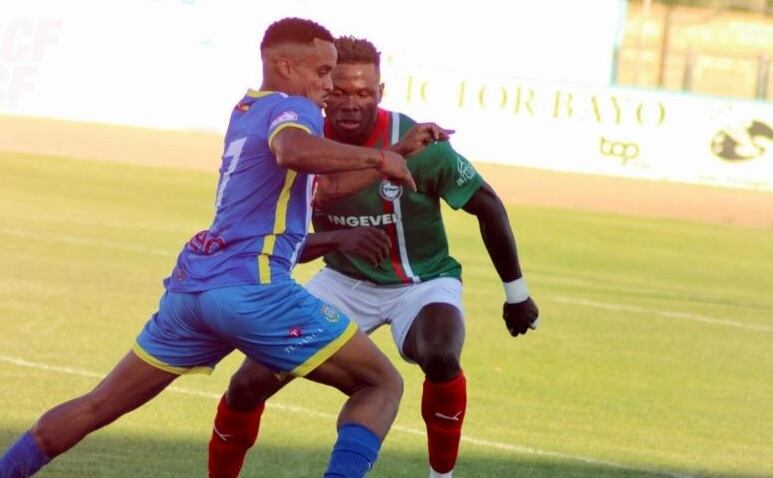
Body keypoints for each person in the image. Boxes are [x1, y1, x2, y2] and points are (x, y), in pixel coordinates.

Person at [0, 19, 422, 478]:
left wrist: (392, 154)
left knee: (98, 404)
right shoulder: (294, 108)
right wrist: (378, 156)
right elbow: (293, 150)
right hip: (251, 288)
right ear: (285, 66)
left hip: (194, 288)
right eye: (322, 72)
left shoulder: (248, 109)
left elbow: (315, 184)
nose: (330, 86)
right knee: (381, 383)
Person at [207, 36, 540, 478]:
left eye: (364, 92)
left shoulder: (420, 144)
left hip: (422, 282)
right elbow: (275, 242)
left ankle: (442, 476)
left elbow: (488, 205)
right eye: (341, 90)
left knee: (440, 353)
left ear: (380, 93)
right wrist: (337, 241)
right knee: (248, 383)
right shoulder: (303, 142)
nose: (350, 102)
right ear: (326, 88)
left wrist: (516, 293)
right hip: (342, 282)